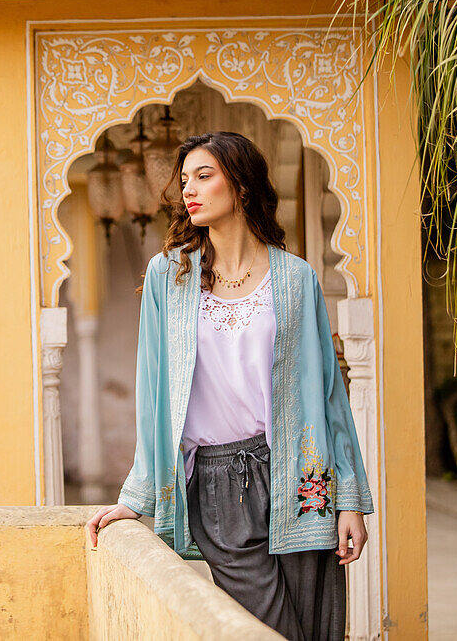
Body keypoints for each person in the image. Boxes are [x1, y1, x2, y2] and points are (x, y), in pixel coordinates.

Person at [86, 132, 374, 640]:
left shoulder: (296, 279)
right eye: (184, 181)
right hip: (218, 485)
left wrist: (348, 498)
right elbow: (153, 390)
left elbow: (329, 396)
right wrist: (138, 494)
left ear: (240, 186)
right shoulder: (168, 277)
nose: (189, 191)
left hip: (301, 478)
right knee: (267, 630)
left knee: (316, 627)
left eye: (203, 176)